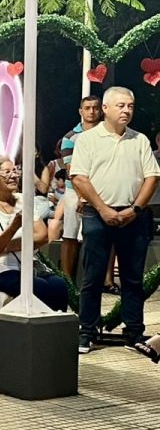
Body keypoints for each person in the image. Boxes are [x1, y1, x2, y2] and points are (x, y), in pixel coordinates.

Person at [70, 86, 159, 354]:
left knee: (132, 278)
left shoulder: (139, 140)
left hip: (134, 216)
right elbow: (79, 177)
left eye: (130, 106)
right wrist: (103, 209)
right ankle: (87, 331)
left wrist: (134, 209)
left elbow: (152, 177)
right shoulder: (87, 140)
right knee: (93, 277)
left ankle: (134, 332)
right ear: (105, 108)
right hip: (97, 214)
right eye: (121, 105)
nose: (126, 111)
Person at [0, 156, 69, 311]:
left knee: (59, 286)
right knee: (40, 288)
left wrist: (5, 247)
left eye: (15, 171)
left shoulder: (23, 200)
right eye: (7, 172)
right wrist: (14, 226)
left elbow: (42, 236)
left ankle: (54, 326)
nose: (14, 176)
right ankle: (35, 325)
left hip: (25, 265)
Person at [58, 95, 104, 278]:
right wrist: (82, 196)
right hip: (75, 190)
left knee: (98, 236)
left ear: (101, 110)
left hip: (101, 189)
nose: (91, 111)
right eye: (87, 108)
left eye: (95, 107)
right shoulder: (70, 137)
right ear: (81, 111)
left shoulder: (107, 134)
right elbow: (71, 171)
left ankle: (100, 280)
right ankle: (67, 281)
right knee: (70, 234)